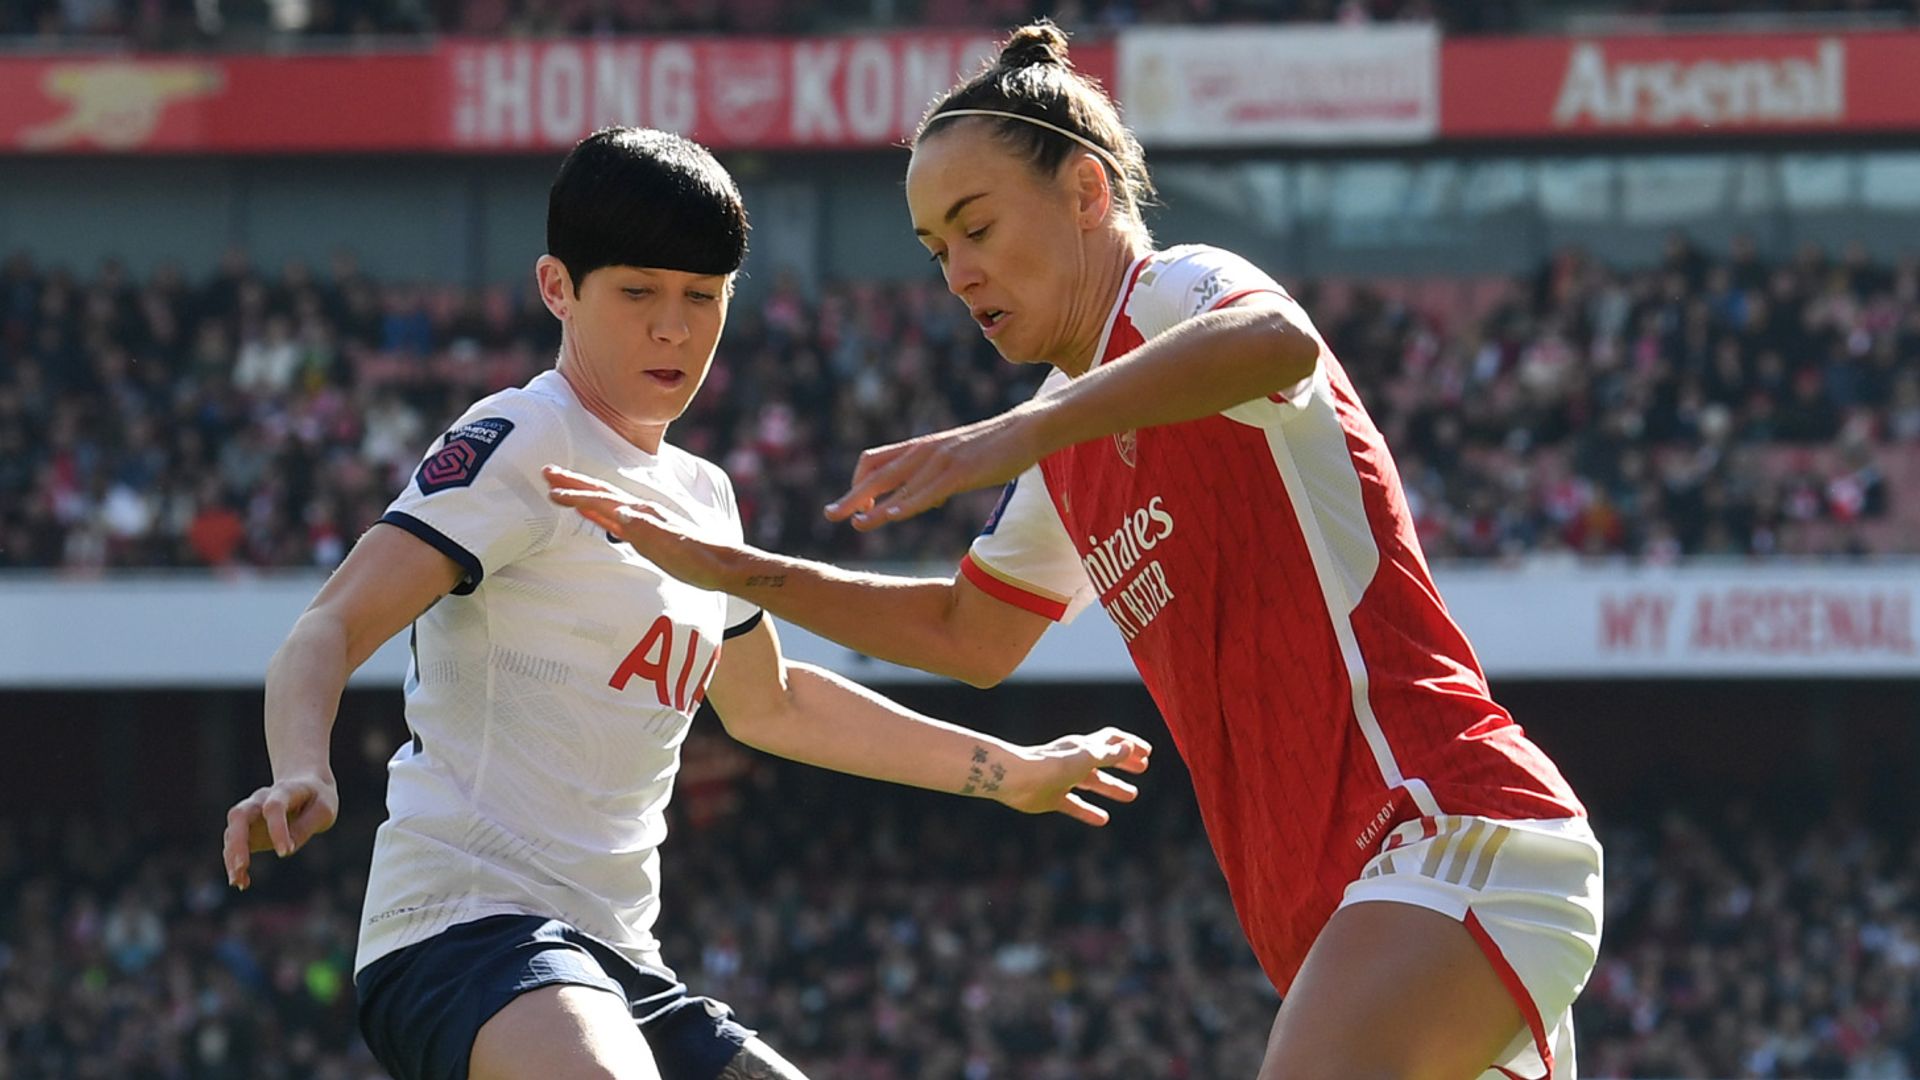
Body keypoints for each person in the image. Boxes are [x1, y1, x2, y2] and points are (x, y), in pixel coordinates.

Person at [547, 27, 1603, 1080]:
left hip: (1445, 833)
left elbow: (1279, 343)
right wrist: (734, 570)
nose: (958, 273)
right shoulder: (1066, 436)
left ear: (1088, 192)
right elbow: (972, 635)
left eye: (976, 226)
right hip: (1336, 921)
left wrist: (1014, 432)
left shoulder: (1181, 290)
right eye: (934, 250)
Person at [219, 126, 1153, 1080]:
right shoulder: (521, 434)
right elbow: (328, 625)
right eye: (637, 293)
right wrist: (303, 767)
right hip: (464, 930)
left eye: (700, 298)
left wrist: (1014, 773)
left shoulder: (704, 497)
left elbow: (773, 704)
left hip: (620, 965)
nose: (673, 327)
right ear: (558, 289)